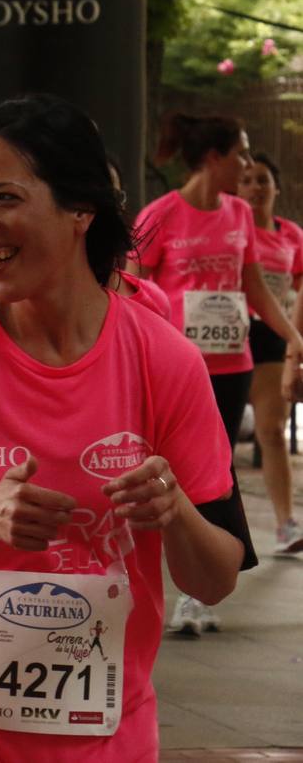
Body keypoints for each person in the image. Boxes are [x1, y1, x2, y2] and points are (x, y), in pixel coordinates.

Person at [0, 94, 244, 762]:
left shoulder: (163, 359)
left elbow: (214, 580)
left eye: (3, 198)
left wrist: (173, 512)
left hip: (104, 727)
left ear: (80, 209)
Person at [131, 112, 298, 634]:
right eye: (241, 154)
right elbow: (128, 289)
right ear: (213, 158)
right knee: (164, 473)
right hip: (175, 371)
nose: (247, 165)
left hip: (231, 365)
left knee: (214, 476)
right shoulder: (159, 215)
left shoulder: (239, 216)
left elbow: (254, 287)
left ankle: (196, 594)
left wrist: (293, 335)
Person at [239, 152, 303, 554]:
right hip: (227, 335)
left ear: (276, 187)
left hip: (271, 336)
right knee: (216, 439)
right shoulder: (230, 228)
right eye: (246, 180)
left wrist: (294, 337)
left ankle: (286, 524)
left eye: (263, 180)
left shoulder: (292, 235)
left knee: (271, 431)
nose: (256, 188)